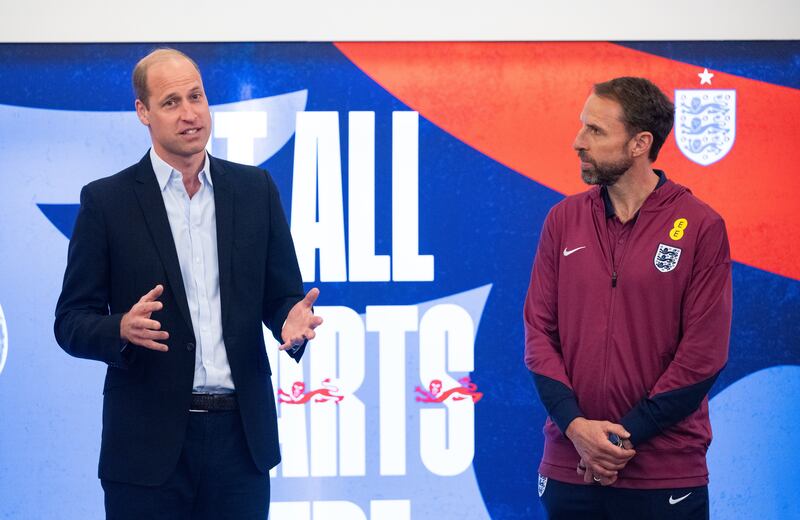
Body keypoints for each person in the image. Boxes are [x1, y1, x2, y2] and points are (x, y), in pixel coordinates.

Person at [54, 48, 322, 519]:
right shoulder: (107, 202)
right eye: (172, 102)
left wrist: (289, 321)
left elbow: (280, 296)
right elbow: (71, 321)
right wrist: (119, 329)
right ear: (143, 112)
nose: (190, 114)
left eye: (196, 96)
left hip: (241, 444)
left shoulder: (255, 190)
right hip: (145, 447)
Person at [524, 77, 731, 519]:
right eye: (582, 126)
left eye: (596, 131)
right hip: (569, 465)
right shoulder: (562, 220)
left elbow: (703, 355)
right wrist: (576, 428)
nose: (578, 141)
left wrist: (621, 440)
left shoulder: (700, 226)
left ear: (640, 143)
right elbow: (539, 334)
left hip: (663, 473)